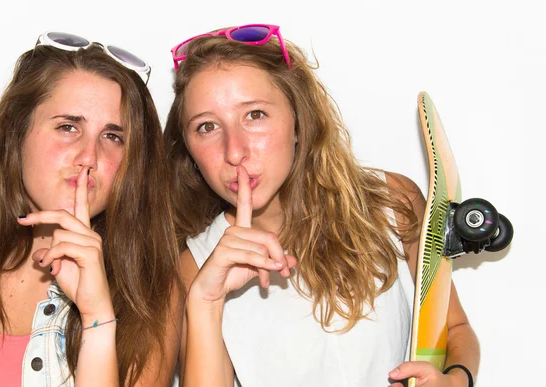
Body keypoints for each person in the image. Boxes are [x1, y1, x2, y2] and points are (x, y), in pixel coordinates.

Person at [164, 24, 480, 387]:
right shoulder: (195, 266)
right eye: (207, 127)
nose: (234, 151)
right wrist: (206, 300)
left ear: (297, 121)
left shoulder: (390, 202)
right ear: (188, 148)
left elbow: (454, 328)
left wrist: (455, 380)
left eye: (255, 115)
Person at [0, 32, 182, 386]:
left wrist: (97, 318)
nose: (89, 157)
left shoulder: (149, 292)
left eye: (113, 136)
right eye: (68, 127)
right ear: (16, 134)